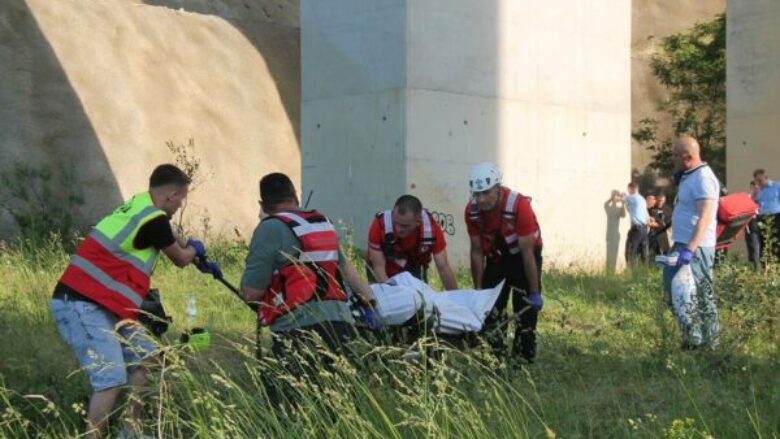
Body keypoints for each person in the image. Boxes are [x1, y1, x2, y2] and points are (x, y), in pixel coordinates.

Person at [51, 164, 213, 438]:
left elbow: (171, 234)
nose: (180, 206)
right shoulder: (153, 220)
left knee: (152, 359)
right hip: (80, 304)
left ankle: (131, 432)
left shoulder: (141, 205)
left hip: (104, 306)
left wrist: (195, 252)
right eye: (181, 199)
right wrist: (195, 250)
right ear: (172, 195)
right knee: (111, 377)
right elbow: (180, 258)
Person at [240, 173, 379, 369]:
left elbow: (250, 293)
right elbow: (348, 271)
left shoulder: (269, 228)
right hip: (341, 325)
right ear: (295, 197)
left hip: (297, 329)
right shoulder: (323, 224)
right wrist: (372, 305)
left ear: (262, 205)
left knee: (283, 387)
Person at [465, 162, 543, 363]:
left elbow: (528, 255)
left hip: (523, 257)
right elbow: (476, 251)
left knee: (525, 309)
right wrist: (479, 291)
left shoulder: (519, 206)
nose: (481, 199)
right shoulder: (472, 211)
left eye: (486, 193)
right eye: (477, 194)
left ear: (497, 189)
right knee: (491, 308)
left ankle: (523, 358)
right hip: (497, 258)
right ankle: (495, 358)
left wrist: (534, 292)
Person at [663, 136, 720, 349]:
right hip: (681, 243)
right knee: (673, 291)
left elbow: (705, 216)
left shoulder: (703, 178)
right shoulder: (690, 176)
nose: (673, 158)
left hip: (695, 247)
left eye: (675, 155)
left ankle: (710, 344)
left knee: (702, 295)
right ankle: (692, 338)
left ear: (687, 156)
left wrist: (690, 249)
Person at [366, 195, 458, 290]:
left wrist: (456, 296)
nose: (398, 229)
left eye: (404, 226)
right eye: (395, 223)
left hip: (412, 269)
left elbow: (443, 267)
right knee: (381, 296)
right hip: (384, 270)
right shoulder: (380, 225)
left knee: (419, 297)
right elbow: (379, 269)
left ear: (418, 222)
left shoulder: (431, 229)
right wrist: (393, 293)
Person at [752, 168, 780, 262]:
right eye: (756, 181)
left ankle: (777, 265)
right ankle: (765, 266)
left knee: (776, 242)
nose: (758, 183)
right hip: (762, 218)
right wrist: (755, 194)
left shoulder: (777, 186)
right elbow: (752, 204)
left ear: (766, 177)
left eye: (760, 180)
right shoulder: (757, 190)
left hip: (776, 217)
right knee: (763, 243)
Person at [623, 182, 649, 266]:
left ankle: (631, 272)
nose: (628, 191)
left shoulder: (632, 197)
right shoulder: (642, 199)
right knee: (644, 254)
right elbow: (631, 210)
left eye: (629, 190)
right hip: (644, 229)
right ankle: (644, 272)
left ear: (632, 189)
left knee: (630, 251)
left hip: (636, 229)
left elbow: (618, 199)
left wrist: (618, 195)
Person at [604, 190, 626, 273]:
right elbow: (605, 204)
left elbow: (623, 215)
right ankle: (608, 272)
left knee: (614, 254)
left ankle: (612, 271)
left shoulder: (619, 209)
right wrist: (612, 198)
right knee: (609, 255)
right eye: (616, 196)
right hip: (609, 235)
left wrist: (623, 202)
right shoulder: (609, 209)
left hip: (616, 235)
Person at [746, 180, 762, 270]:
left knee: (760, 245)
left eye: (757, 187)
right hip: (751, 222)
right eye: (753, 187)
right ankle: (755, 268)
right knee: (752, 244)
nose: (755, 189)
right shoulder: (748, 197)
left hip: (761, 221)